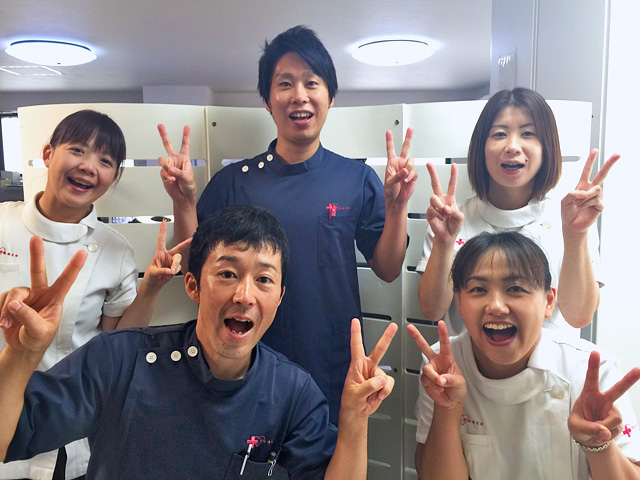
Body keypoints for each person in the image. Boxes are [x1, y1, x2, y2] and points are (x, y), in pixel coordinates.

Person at [0, 205, 397, 479]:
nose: (244, 295)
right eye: (227, 274)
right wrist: (20, 354)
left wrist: (354, 420)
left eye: (263, 279)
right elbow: (8, 437)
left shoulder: (293, 393)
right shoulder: (120, 359)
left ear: (279, 297)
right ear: (192, 285)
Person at [157, 25, 416, 423]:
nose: (299, 95)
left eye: (312, 82)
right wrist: (183, 202)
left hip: (332, 364)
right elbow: (195, 268)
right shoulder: (234, 182)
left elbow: (388, 268)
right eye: (285, 83)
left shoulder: (355, 178)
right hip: (244, 361)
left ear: (330, 96)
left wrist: (397, 207)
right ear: (267, 100)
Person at [0, 110, 186, 480]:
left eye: (105, 160)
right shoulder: (3, 222)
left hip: (67, 421)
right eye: (78, 150)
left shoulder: (114, 248)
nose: (88, 166)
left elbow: (117, 337)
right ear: (48, 154)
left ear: (113, 177)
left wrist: (150, 287)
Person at [408, 231, 640, 479]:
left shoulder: (589, 369)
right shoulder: (443, 366)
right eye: (478, 289)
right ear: (460, 303)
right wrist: (448, 408)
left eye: (515, 288)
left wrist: (598, 445)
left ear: (548, 302)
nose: (496, 306)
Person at [417, 87, 617, 336]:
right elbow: (432, 310)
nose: (512, 146)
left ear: (546, 148)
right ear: (481, 147)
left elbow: (579, 317)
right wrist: (444, 243)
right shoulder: (451, 220)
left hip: (548, 362)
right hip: (466, 361)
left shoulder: (572, 219)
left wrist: (575, 235)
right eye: (499, 134)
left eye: (528, 133)